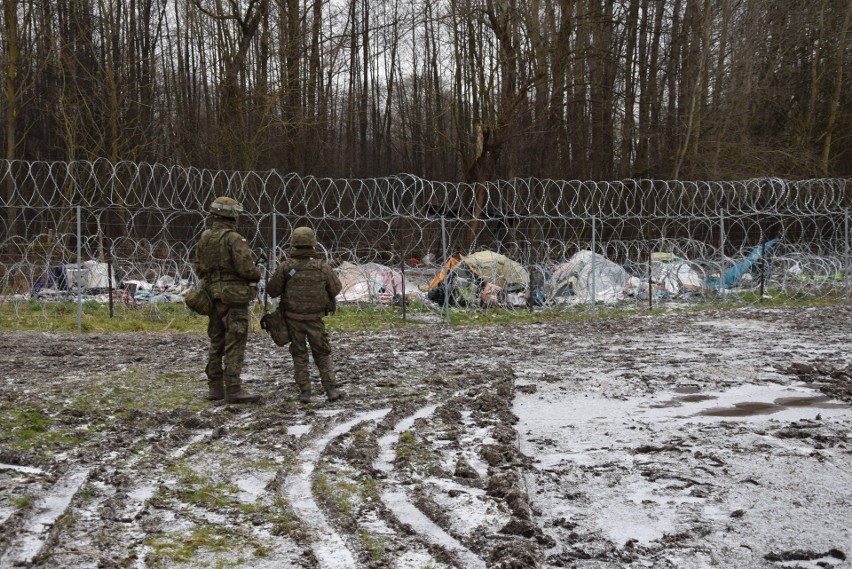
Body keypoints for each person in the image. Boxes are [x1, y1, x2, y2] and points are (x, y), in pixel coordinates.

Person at [194, 196, 262, 404]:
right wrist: (256, 272)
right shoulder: (234, 239)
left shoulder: (205, 237)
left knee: (217, 340)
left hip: (212, 295)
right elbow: (246, 269)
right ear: (232, 215)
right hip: (234, 298)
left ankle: (215, 387)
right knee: (235, 340)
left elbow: (198, 266)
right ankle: (233, 387)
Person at [267, 227, 342, 403]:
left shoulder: (286, 267)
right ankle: (330, 389)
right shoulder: (322, 267)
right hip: (315, 318)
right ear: (313, 244)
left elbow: (272, 290)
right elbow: (336, 289)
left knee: (299, 355)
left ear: (293, 244)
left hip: (293, 319)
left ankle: (305, 392)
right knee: (322, 353)